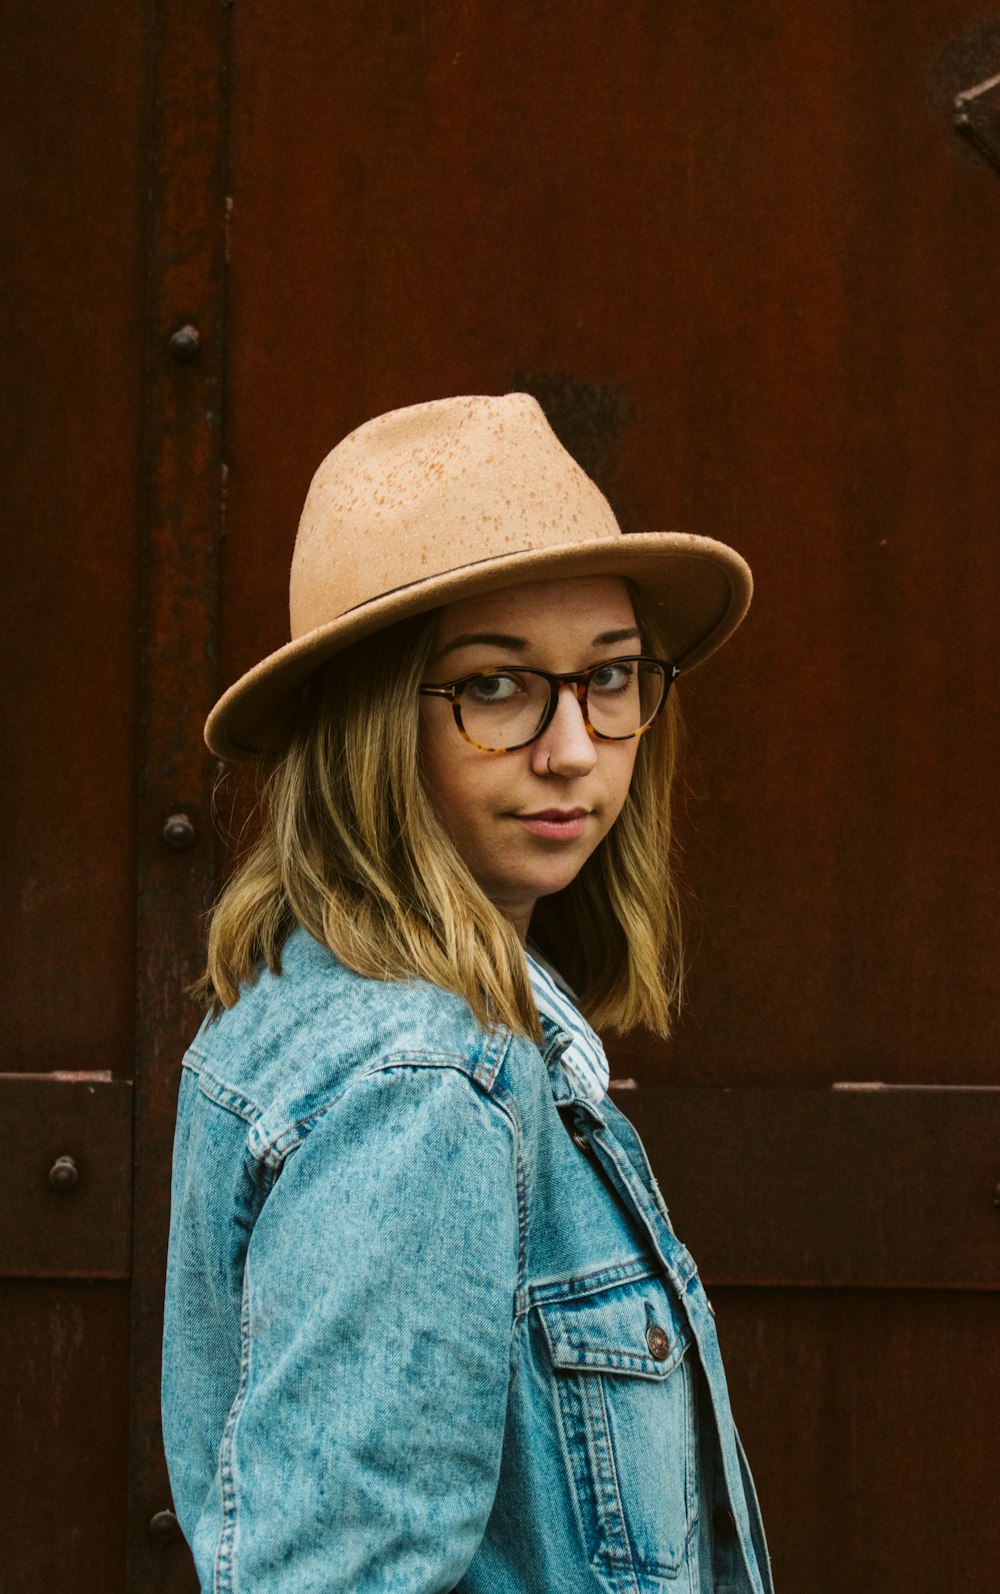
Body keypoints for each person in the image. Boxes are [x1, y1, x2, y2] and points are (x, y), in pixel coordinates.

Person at [162, 392, 773, 1594]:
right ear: (372, 724)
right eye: (496, 687)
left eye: (609, 675)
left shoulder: (321, 1005)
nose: (572, 746)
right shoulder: (420, 1086)